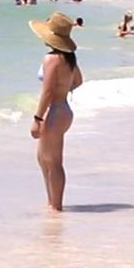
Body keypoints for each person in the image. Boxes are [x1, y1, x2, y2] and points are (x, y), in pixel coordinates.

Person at [29, 12, 82, 212]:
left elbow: (48, 91)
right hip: (64, 109)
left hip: (54, 111)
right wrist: (64, 88)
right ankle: (52, 202)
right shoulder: (69, 58)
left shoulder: (51, 59)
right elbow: (78, 81)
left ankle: (56, 206)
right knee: (44, 158)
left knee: (52, 160)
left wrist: (37, 118)